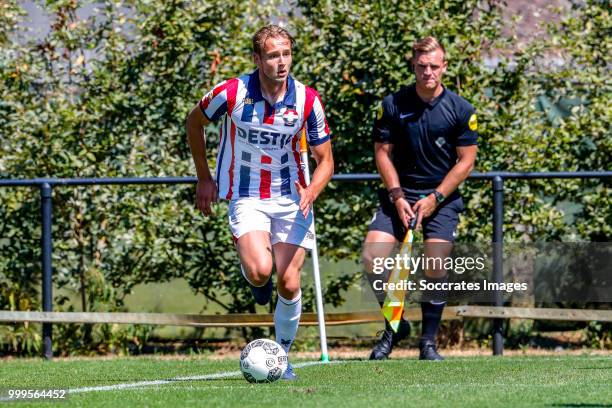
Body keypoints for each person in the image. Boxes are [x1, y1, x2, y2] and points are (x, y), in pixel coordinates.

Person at [185, 25, 334, 379]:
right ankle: (255, 276)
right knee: (260, 272)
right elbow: (194, 122)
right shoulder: (232, 92)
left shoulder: (307, 100)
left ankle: (281, 357)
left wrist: (312, 190)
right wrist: (204, 177)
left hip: (291, 198)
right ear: (257, 59)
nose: (281, 62)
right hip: (246, 195)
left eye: (286, 54)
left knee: (290, 282)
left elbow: (326, 160)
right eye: (272, 55)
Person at [363, 36, 478, 360]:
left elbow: (466, 161)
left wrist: (435, 198)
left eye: (434, 66)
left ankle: (428, 343)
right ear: (413, 66)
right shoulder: (392, 105)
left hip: (441, 198)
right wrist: (397, 196)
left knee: (436, 261)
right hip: (398, 194)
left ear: (444, 67)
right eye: (422, 66)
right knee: (374, 258)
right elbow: (382, 153)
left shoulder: (461, 109)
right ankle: (393, 328)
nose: (428, 72)